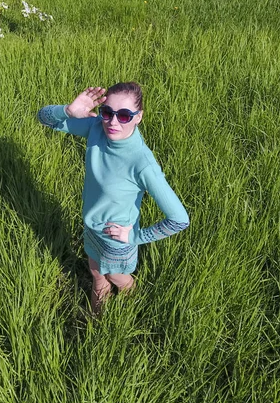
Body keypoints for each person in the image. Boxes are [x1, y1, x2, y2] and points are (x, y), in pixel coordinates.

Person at [37, 82, 189, 315]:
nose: (113, 122)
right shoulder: (97, 128)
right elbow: (45, 118)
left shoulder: (142, 163)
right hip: (91, 227)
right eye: (107, 112)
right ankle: (95, 328)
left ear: (139, 117)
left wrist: (135, 236)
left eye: (125, 115)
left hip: (117, 241)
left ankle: (135, 303)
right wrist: (68, 110)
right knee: (98, 277)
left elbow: (179, 219)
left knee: (116, 278)